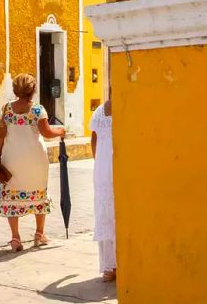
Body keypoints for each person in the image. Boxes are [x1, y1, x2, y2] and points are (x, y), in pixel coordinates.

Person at [0, 74, 66, 252]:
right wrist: (61, 131)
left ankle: (15, 238)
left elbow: (1, 134)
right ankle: (40, 233)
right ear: (33, 90)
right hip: (35, 159)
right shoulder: (37, 110)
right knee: (39, 192)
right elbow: (47, 132)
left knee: (12, 195)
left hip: (12, 158)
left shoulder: (6, 109)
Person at [90, 98, 116, 281]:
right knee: (118, 214)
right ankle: (120, 263)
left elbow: (94, 141)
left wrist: (99, 162)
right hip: (117, 167)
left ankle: (109, 267)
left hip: (102, 169)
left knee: (105, 214)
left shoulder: (99, 111)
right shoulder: (126, 108)